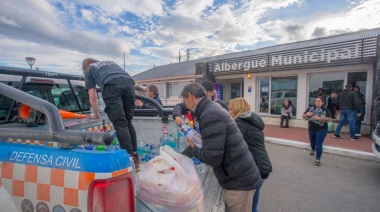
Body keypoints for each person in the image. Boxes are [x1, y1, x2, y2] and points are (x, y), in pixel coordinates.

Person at [180, 83, 262, 211]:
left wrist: (193, 146)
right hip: (239, 176)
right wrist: (180, 157)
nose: (185, 105)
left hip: (239, 183)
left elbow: (212, 158)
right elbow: (211, 143)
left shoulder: (209, 114)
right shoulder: (211, 108)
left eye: (184, 100)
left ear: (190, 96)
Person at [82, 58, 139, 169]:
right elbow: (121, 77)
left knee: (120, 124)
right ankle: (135, 158)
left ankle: (129, 161)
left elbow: (92, 96)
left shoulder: (90, 69)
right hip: (129, 82)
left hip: (111, 84)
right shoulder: (109, 63)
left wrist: (97, 114)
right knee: (127, 122)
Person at [228, 98, 272, 212]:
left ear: (237, 109)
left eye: (231, 109)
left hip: (253, 170)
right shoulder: (252, 121)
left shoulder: (239, 124)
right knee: (252, 206)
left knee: (247, 207)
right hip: (261, 167)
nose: (229, 112)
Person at [302, 96, 332, 166]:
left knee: (318, 144)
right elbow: (303, 116)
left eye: (319, 101)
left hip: (322, 129)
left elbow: (330, 119)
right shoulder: (311, 108)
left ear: (322, 102)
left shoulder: (325, 110)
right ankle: (313, 149)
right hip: (312, 128)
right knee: (312, 142)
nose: (317, 102)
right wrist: (306, 114)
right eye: (316, 101)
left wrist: (320, 119)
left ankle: (318, 159)